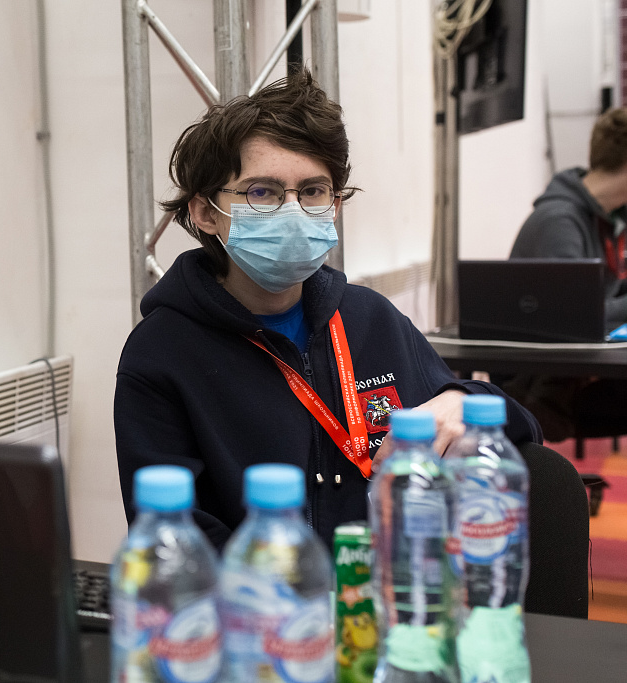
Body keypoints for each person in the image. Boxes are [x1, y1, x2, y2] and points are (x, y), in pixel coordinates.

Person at [113, 69, 542, 551]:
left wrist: (461, 401)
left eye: (313, 191)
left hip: (392, 584)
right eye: (262, 192)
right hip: (262, 595)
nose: (293, 211)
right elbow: (174, 537)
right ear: (206, 212)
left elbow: (523, 429)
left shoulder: (370, 319)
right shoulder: (161, 353)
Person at [503, 106, 627, 442]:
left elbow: (603, 295)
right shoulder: (560, 222)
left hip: (573, 373)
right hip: (542, 387)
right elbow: (575, 317)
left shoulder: (604, 218)